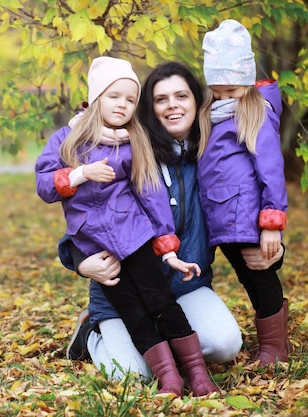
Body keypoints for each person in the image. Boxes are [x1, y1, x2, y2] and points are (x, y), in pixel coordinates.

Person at [60, 61, 284, 391]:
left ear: (198, 102)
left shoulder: (214, 155)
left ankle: (172, 344)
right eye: (161, 99)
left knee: (225, 345)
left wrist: (273, 251)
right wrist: (80, 262)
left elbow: (241, 212)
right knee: (135, 375)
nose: (173, 105)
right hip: (125, 292)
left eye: (181, 96)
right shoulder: (127, 151)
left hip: (185, 287)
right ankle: (92, 333)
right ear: (149, 108)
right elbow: (88, 214)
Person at [36, 57, 220, 397]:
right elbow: (44, 186)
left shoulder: (133, 140)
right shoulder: (67, 139)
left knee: (161, 302)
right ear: (95, 98)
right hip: (96, 248)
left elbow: (151, 195)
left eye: (130, 99)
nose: (122, 105)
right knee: (134, 313)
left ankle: (197, 374)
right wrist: (79, 174)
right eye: (113, 96)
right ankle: (168, 377)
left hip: (134, 236)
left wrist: (167, 251)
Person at [197, 19, 289, 366]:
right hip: (223, 217)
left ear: (247, 83)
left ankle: (275, 348)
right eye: (216, 92)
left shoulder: (253, 112)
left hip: (248, 216)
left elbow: (271, 171)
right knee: (247, 274)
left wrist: (271, 223)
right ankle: (272, 335)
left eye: (230, 92)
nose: (223, 99)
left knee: (258, 272)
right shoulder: (213, 112)